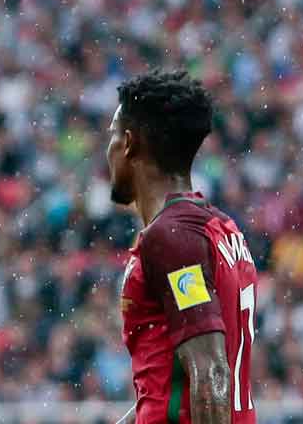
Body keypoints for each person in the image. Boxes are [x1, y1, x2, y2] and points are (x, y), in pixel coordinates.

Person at [107, 70, 257, 424]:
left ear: (128, 143)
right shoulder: (222, 229)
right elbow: (172, 386)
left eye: (111, 136)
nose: (108, 151)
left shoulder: (171, 238)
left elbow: (210, 373)